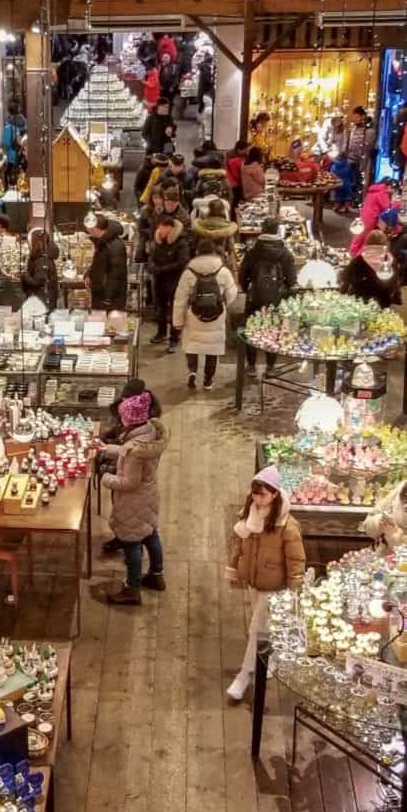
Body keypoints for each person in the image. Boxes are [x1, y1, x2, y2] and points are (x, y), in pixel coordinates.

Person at [225, 466, 305, 701]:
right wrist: (233, 568)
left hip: (273, 586)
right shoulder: (249, 515)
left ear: (274, 495)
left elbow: (296, 558)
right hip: (254, 581)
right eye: (254, 494)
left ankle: (243, 676)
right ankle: (271, 656)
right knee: (263, 628)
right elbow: (239, 544)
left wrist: (295, 586)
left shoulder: (286, 526)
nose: (257, 499)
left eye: (262, 494)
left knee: (256, 630)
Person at [100, 390, 169, 606]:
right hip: (148, 496)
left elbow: (129, 481)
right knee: (150, 534)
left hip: (133, 502)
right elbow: (127, 452)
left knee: (131, 545)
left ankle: (132, 588)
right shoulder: (148, 433)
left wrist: (106, 477)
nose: (120, 419)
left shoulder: (134, 449)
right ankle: (157, 575)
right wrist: (107, 449)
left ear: (129, 419)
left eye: (122, 416)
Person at [172, 239, 238, 390]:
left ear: (197, 252)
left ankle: (192, 372)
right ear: (214, 252)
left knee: (192, 345)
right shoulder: (223, 271)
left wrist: (177, 321)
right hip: (217, 314)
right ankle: (208, 380)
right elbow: (232, 292)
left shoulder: (188, 272)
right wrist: (223, 303)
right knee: (212, 348)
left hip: (193, 315)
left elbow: (180, 299)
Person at [238, 217, 297, 377]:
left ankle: (251, 366)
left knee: (252, 330)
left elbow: (242, 275)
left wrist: (246, 289)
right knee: (273, 330)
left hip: (255, 298)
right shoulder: (285, 253)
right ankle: (270, 367)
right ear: (277, 231)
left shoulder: (252, 252)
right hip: (276, 299)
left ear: (262, 230)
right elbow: (292, 280)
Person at [149, 216, 189, 352]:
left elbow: (182, 262)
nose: (160, 230)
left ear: (170, 228)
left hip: (174, 281)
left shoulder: (181, 242)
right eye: (159, 227)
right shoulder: (158, 242)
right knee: (160, 308)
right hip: (159, 280)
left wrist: (162, 269)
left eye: (163, 228)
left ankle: (174, 339)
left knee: (174, 311)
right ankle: (161, 333)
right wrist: (152, 266)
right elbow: (152, 257)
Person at [339, 230, 401, 309]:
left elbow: (345, 277)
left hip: (360, 302)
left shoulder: (359, 260)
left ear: (367, 242)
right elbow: (395, 282)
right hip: (384, 302)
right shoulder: (392, 260)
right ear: (386, 243)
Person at [85, 215, 128, 311]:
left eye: (89, 227)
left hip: (111, 299)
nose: (87, 230)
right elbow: (98, 264)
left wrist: (108, 298)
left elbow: (116, 274)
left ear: (95, 229)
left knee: (110, 325)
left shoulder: (114, 245)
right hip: (100, 294)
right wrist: (89, 274)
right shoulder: (102, 242)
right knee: (99, 324)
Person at [350, 180, 393, 255]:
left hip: (364, 214)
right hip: (372, 217)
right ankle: (359, 256)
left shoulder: (373, 190)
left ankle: (353, 251)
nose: (393, 191)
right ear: (389, 186)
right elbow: (386, 207)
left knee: (359, 235)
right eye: (393, 189)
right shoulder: (383, 193)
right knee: (368, 238)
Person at [21, 227, 59, 311]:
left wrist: (24, 274)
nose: (29, 244)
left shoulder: (42, 260)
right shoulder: (44, 257)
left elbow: (38, 282)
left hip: (41, 303)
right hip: (44, 301)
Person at [342, 104, 376, 197]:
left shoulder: (369, 130)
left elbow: (367, 147)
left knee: (359, 181)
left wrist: (363, 161)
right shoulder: (353, 128)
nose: (355, 119)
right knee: (350, 180)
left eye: (357, 117)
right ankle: (350, 198)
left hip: (361, 161)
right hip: (351, 159)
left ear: (363, 116)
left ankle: (358, 198)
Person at [191, 197, 238, 264]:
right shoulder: (228, 228)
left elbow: (194, 245)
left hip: (200, 260)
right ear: (223, 211)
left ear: (209, 210)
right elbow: (231, 249)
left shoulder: (199, 225)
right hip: (220, 262)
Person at [361, 480, 407, 547]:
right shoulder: (402, 487)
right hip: (387, 553)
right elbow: (368, 524)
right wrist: (380, 522)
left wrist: (396, 539)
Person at [377, 207, 407, 280]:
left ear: (389, 226)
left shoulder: (404, 239)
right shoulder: (390, 236)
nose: (378, 224)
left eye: (381, 222)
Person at [225, 139, 248, 204]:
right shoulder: (235, 159)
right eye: (245, 149)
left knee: (233, 202)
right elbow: (237, 174)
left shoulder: (231, 155)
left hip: (231, 182)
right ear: (239, 149)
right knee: (236, 202)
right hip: (235, 183)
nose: (246, 151)